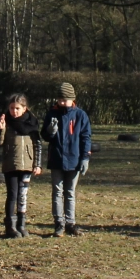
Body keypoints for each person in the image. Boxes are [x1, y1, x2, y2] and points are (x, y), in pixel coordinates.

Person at [40, 83, 92, 237]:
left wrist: (85, 158)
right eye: (60, 99)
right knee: (57, 191)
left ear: (72, 99)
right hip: (56, 159)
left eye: (65, 100)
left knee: (70, 192)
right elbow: (44, 135)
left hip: (74, 160)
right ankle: (59, 223)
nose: (62, 102)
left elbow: (85, 137)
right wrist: (50, 132)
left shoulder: (80, 115)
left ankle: (71, 223)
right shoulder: (51, 114)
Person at [0, 93, 42, 238]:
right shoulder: (6, 123)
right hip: (10, 165)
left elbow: (37, 145)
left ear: (25, 109)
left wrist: (37, 164)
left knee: (23, 195)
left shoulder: (32, 123)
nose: (14, 111)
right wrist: (0, 129)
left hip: (27, 165)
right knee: (12, 195)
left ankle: (22, 224)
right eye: (12, 108)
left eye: (17, 108)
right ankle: (10, 227)